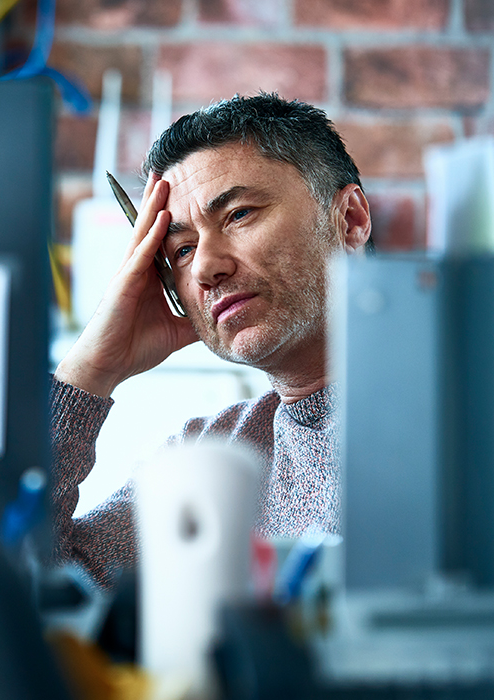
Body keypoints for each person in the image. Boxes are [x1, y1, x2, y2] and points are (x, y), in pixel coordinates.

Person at [49, 93, 373, 589]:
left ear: (349, 220)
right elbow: (30, 588)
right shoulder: (208, 457)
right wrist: (87, 374)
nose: (204, 267)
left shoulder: (475, 419)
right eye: (181, 250)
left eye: (239, 215)